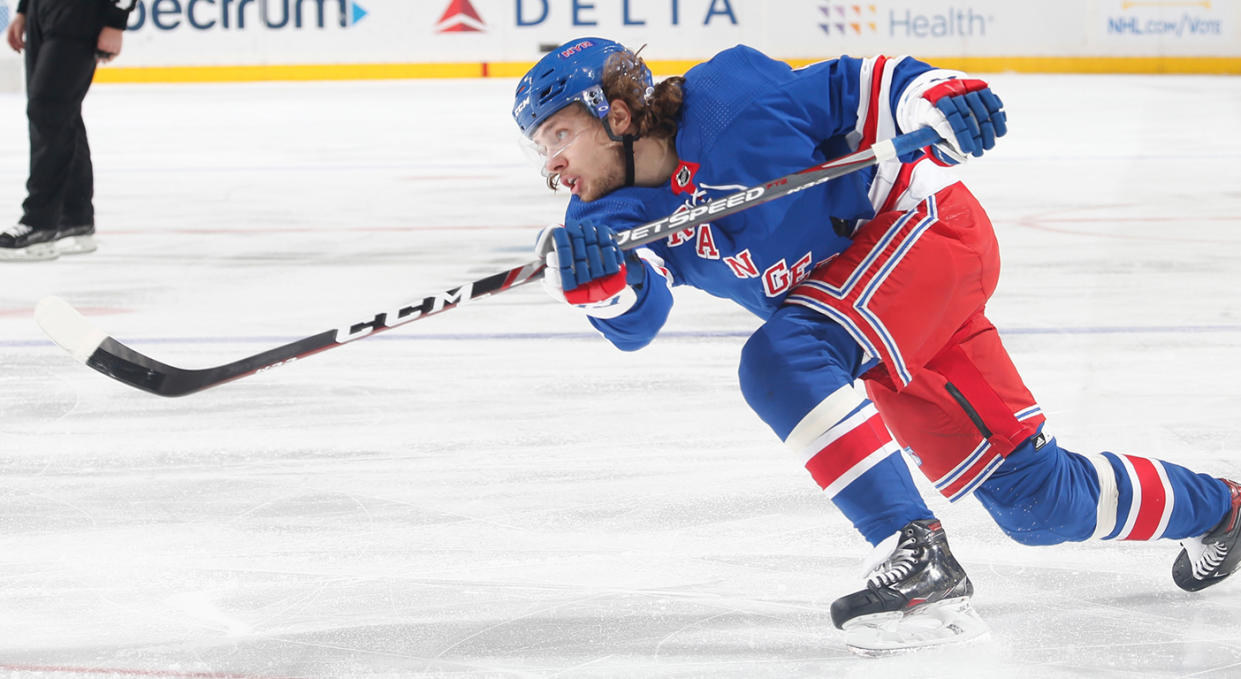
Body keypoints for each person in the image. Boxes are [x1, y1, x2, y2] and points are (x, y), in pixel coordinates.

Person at [512, 37, 1241, 654]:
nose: (550, 164)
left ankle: (913, 549)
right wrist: (594, 284)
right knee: (1034, 502)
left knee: (780, 356)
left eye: (557, 135)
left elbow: (859, 85)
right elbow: (639, 317)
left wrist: (939, 97)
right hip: (865, 309)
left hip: (919, 233)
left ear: (614, 112)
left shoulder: (728, 95)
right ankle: (1223, 510)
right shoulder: (607, 214)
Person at [1, 0, 134, 261]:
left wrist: (116, 20)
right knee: (59, 113)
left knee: (48, 110)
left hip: (81, 12)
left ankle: (40, 222)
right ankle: (75, 219)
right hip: (44, 11)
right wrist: (25, 10)